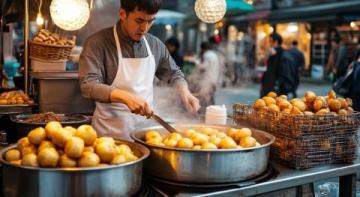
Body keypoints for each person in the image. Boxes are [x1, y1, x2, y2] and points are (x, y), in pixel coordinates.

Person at [79, 0, 200, 140]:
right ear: (122, 14)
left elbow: (174, 74)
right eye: (139, 20)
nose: (144, 28)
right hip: (109, 138)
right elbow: (88, 85)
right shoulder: (97, 43)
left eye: (150, 21)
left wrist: (185, 92)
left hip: (145, 136)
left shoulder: (155, 45)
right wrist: (125, 97)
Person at [260, 33, 297, 98]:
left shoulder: (282, 55)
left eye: (270, 41)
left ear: (276, 42)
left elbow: (284, 73)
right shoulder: (273, 53)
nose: (269, 44)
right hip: (270, 86)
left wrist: (277, 85)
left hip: (276, 88)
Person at [189, 41, 220, 112]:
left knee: (205, 98)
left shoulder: (207, 55)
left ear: (202, 49)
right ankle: (213, 111)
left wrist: (196, 61)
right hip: (214, 79)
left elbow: (203, 67)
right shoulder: (214, 54)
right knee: (210, 97)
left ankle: (207, 112)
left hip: (207, 80)